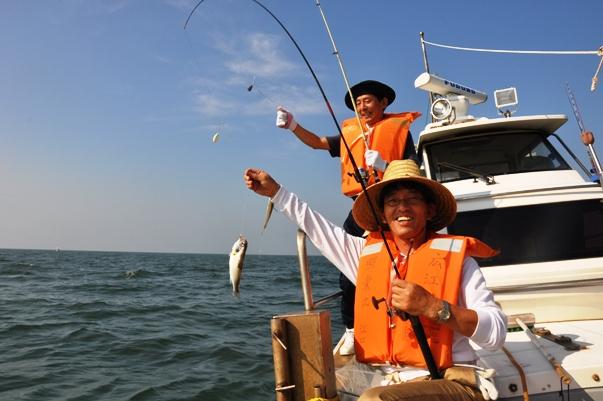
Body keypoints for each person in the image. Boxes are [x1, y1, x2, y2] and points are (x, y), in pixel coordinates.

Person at [243, 159, 507, 401]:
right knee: (317, 391)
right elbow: (318, 228)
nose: (402, 207)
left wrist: (433, 307)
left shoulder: (460, 263)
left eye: (412, 199)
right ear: (382, 214)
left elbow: (495, 333)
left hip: (450, 382)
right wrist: (276, 192)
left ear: (430, 209)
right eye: (392, 201)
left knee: (374, 400)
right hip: (384, 377)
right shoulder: (364, 254)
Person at [276, 80, 421, 355]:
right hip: (360, 208)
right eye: (358, 103)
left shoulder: (400, 132)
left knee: (399, 268)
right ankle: (353, 330)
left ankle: (406, 325)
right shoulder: (350, 134)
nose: (362, 107)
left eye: (367, 101)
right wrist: (293, 125)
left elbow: (415, 170)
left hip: (391, 207)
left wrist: (385, 165)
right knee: (347, 273)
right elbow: (318, 143)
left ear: (383, 103)